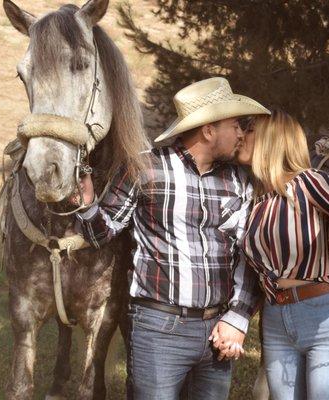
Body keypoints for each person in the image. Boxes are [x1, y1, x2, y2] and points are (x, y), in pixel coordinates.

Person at [71, 77, 269, 400]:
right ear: (208, 130)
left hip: (217, 332)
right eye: (235, 125)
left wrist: (238, 317)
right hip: (158, 329)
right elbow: (101, 232)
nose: (241, 134)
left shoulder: (237, 180)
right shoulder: (144, 167)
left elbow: (248, 253)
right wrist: (88, 205)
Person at [236, 110, 329, 400]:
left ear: (272, 138)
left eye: (250, 130)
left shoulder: (309, 183)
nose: (241, 135)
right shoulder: (256, 201)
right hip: (276, 320)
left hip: (325, 315)